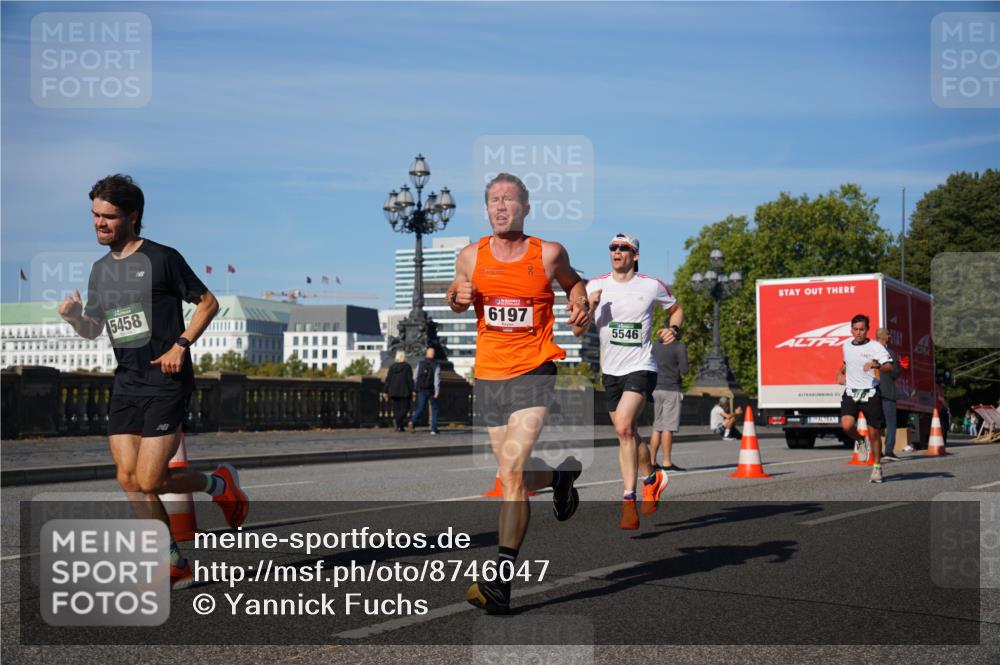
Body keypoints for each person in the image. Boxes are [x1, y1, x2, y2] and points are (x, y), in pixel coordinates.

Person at [58, 174, 248, 591]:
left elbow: (208, 303)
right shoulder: (100, 271)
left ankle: (219, 484)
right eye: (94, 215)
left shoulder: (162, 258)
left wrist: (182, 344)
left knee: (149, 479)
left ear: (133, 216)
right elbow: (94, 329)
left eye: (108, 216)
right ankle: (173, 561)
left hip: (166, 379)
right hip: (127, 382)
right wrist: (74, 316)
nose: (98, 224)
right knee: (129, 479)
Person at [448, 173, 590, 614]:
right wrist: (457, 294)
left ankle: (500, 584)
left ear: (526, 208)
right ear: (487, 208)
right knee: (515, 475)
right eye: (493, 200)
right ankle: (559, 477)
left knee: (510, 471)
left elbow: (574, 282)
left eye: (509, 199)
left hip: (534, 369)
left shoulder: (547, 253)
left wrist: (580, 303)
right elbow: (454, 294)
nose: (500, 206)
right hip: (489, 374)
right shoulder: (470, 255)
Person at [586, 232, 684, 529]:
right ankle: (653, 477)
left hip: (642, 366)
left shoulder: (651, 286)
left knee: (623, 427)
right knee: (627, 434)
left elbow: (676, 309)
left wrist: (673, 330)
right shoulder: (596, 285)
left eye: (624, 248)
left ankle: (629, 500)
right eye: (613, 247)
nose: (617, 251)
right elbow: (578, 326)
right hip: (610, 370)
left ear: (635, 255)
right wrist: (588, 306)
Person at [836, 314, 893, 483]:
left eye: (862, 329)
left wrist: (875, 364)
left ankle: (876, 467)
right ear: (851, 330)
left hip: (870, 393)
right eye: (855, 329)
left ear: (867, 330)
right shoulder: (846, 345)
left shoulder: (876, 347)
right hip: (852, 391)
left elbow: (889, 367)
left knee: (874, 433)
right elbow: (847, 363)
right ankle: (860, 441)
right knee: (846, 425)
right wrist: (840, 372)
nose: (859, 332)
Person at [650, 332, 688, 472]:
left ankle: (652, 461)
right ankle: (666, 462)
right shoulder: (679, 346)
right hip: (671, 389)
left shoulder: (655, 345)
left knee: (657, 427)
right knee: (668, 427)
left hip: (655, 389)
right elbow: (684, 370)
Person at [875, 328, 902, 460]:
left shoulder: (869, 353)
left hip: (873, 393)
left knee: (875, 423)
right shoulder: (889, 353)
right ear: (885, 338)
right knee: (890, 423)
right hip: (887, 392)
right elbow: (896, 372)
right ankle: (889, 451)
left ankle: (876, 451)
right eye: (888, 336)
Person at [409, 346, 441, 434]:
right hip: (431, 390)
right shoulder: (436, 364)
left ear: (426, 354)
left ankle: (412, 421)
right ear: (433, 354)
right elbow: (436, 379)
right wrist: (437, 391)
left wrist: (415, 388)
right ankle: (434, 429)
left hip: (421, 389)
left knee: (421, 407)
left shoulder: (420, 363)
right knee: (434, 408)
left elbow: (415, 377)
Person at [383, 350, 414, 432]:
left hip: (393, 391)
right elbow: (409, 380)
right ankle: (397, 421)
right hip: (404, 390)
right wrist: (413, 389)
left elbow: (388, 379)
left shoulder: (392, 367)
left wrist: (385, 390)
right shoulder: (407, 367)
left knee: (397, 409)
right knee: (405, 408)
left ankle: (400, 426)